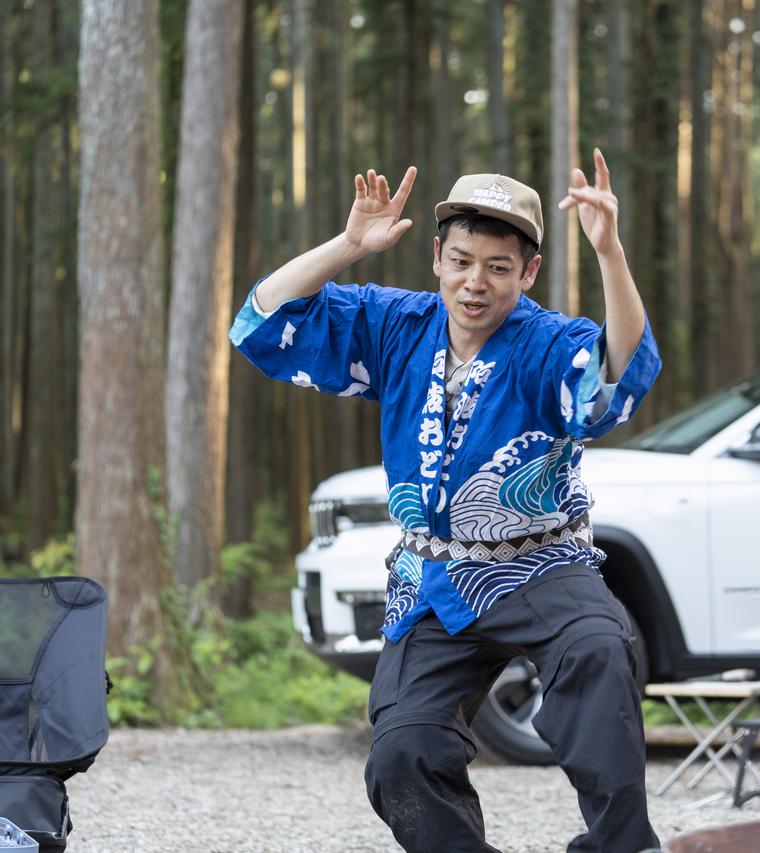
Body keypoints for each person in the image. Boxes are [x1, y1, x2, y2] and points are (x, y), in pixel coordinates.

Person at [229, 149, 662, 852]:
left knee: (597, 649)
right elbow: (262, 323)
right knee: (402, 752)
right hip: (433, 580)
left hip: (542, 564)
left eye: (497, 267)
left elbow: (613, 380)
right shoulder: (396, 325)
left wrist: (611, 255)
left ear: (528, 272)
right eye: (461, 261)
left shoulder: (549, 342)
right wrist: (347, 246)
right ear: (436, 259)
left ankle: (623, 844)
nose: (475, 282)